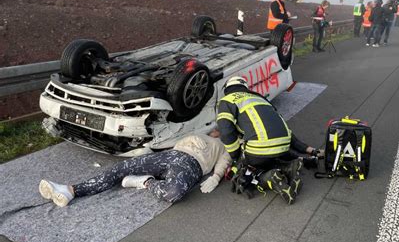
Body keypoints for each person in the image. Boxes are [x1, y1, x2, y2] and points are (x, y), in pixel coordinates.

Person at [38, 132, 232, 207]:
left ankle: (144, 181)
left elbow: (224, 162)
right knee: (123, 166)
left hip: (190, 166)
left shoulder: (225, 146)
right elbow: (172, 142)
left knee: (174, 193)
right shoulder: (198, 133)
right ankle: (72, 190)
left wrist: (215, 176)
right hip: (169, 155)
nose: (218, 131)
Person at [216, 77, 317, 204]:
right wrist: (309, 150)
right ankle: (289, 167)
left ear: (227, 89)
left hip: (260, 148)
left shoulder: (226, 100)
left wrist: (237, 157)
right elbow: (280, 128)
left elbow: (226, 132)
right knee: (267, 154)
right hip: (284, 144)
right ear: (245, 88)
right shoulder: (261, 98)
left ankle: (270, 178)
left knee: (243, 175)